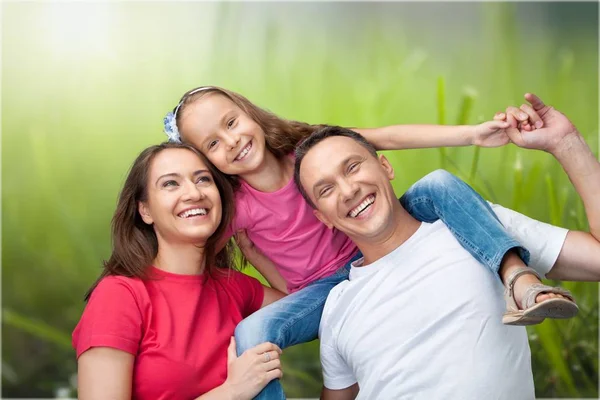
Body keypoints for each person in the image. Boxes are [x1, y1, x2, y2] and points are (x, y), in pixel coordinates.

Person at [163, 87, 575, 399]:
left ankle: (518, 278)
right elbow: (204, 252)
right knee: (252, 331)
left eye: (231, 123)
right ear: (207, 162)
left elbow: (388, 137)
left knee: (436, 185)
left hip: (376, 237)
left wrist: (472, 134)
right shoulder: (236, 206)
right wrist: (291, 294)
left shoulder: (307, 152)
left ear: (249, 113)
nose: (231, 141)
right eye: (212, 144)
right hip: (325, 292)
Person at [293, 93, 599, 399]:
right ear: (323, 218)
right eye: (327, 189)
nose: (348, 191)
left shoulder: (478, 227)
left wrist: (566, 143)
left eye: (352, 168)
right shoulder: (337, 306)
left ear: (385, 166)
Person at [73, 142, 287, 400]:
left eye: (203, 179)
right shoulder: (120, 295)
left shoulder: (232, 285)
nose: (194, 193)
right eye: (170, 184)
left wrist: (255, 254)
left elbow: (303, 307)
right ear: (146, 210)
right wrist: (232, 392)